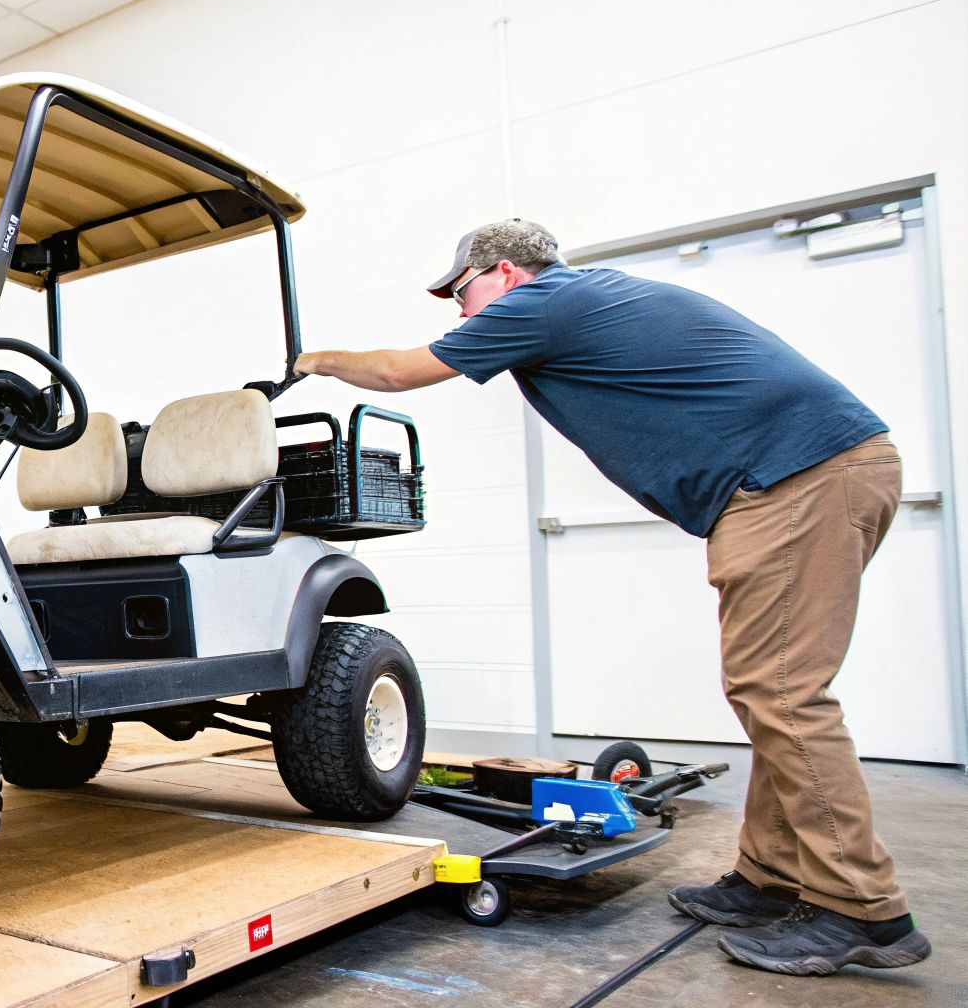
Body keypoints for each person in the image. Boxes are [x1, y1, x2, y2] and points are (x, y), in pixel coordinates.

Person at [294, 219, 930, 975]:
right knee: (770, 691)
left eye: (463, 294)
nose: (462, 313)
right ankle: (772, 877)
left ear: (503, 272)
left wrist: (314, 359)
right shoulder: (580, 302)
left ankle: (860, 908)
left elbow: (402, 372)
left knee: (783, 693)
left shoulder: (546, 302)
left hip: (798, 478)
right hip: (802, 475)